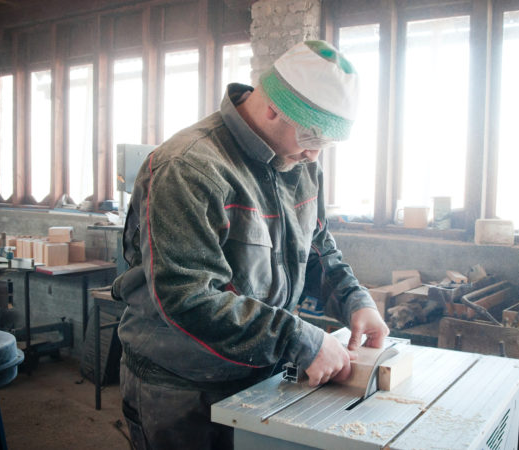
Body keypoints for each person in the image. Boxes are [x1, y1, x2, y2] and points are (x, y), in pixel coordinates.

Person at [112, 40, 389, 450]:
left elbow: (316, 246)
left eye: (326, 144)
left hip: (261, 371)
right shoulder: (189, 167)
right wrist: (300, 338)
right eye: (312, 136)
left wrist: (353, 299)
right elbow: (186, 297)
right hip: (183, 389)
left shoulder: (300, 162)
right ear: (273, 107)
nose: (314, 154)